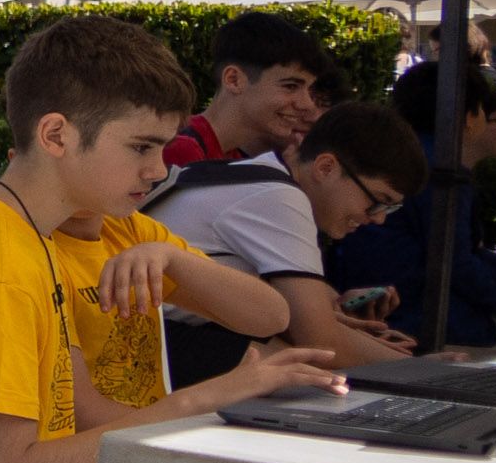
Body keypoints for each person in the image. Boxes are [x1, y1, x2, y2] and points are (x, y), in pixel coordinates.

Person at [0, 18, 335, 463]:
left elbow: (50, 448)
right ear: (55, 135)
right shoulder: (2, 264)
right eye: (141, 147)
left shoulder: (33, 236)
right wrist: (207, 398)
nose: (159, 171)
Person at [146, 101, 427, 385]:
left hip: (155, 334)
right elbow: (320, 340)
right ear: (326, 167)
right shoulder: (278, 196)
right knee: (299, 371)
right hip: (148, 340)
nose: (378, 219)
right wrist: (424, 371)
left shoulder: (257, 177)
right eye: (377, 201)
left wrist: (334, 309)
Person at [326, 57, 496, 354]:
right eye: (494, 116)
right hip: (422, 321)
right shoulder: (439, 171)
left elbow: (456, 253)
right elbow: (456, 263)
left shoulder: (417, 158)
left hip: (395, 308)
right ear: (469, 118)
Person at [158, 11, 336, 173]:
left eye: (309, 89)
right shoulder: (181, 149)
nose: (306, 104)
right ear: (233, 80)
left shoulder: (229, 156)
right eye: (290, 86)